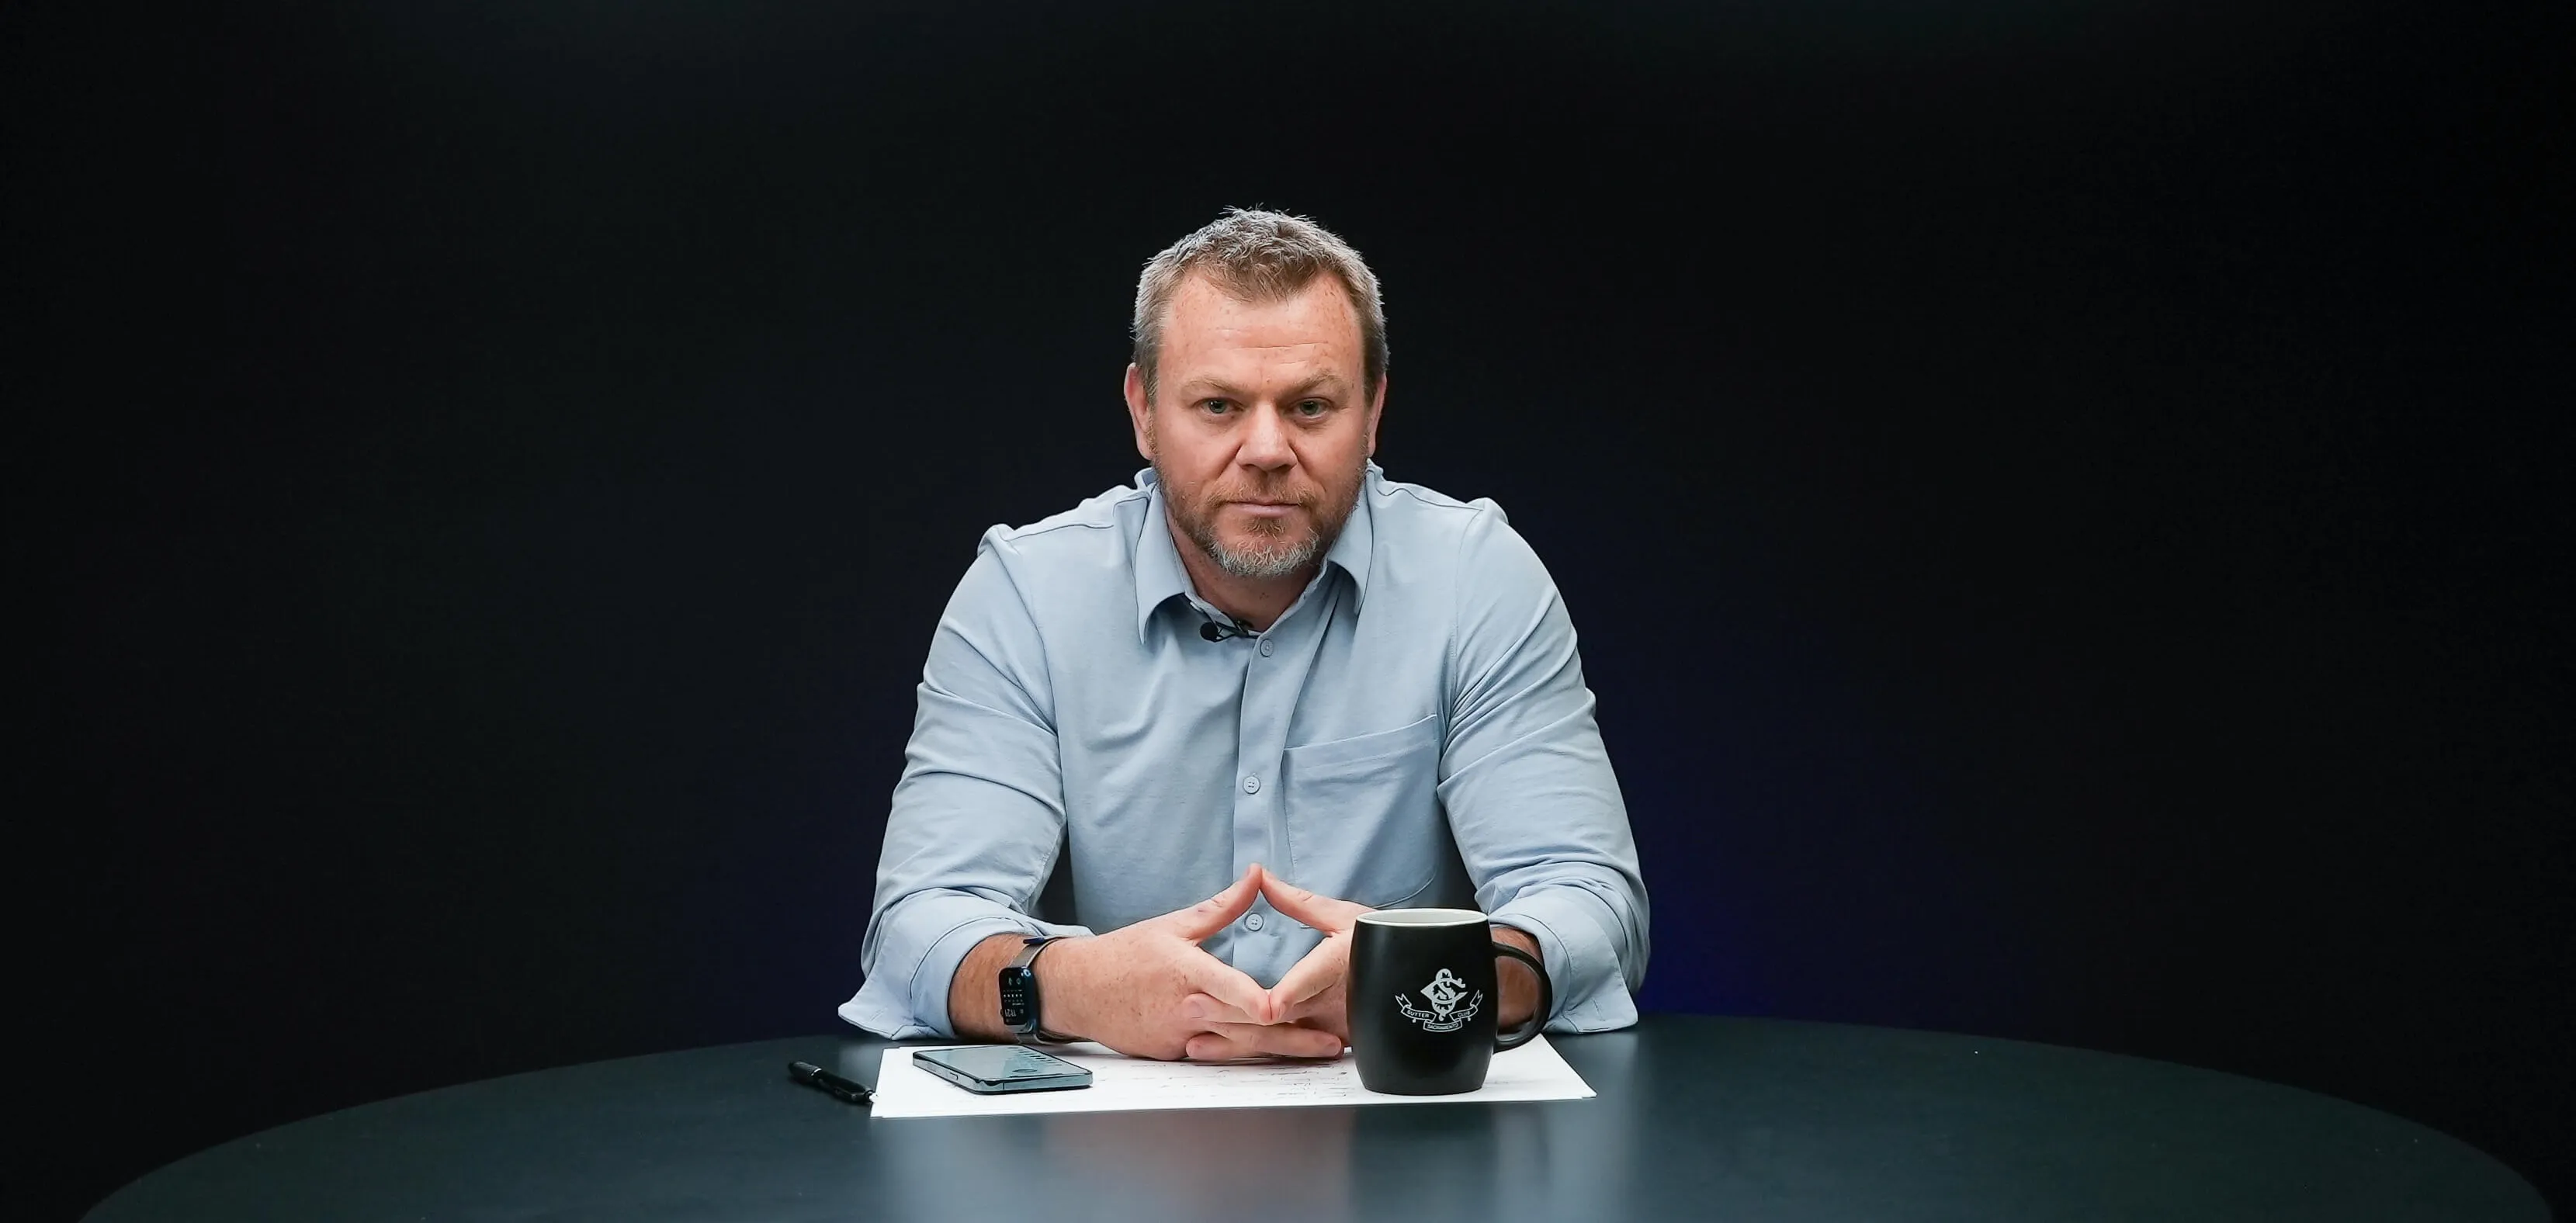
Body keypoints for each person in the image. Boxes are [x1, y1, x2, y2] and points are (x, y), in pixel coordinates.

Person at [843, 209, 1649, 1060]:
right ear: (1143, 410)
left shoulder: (1476, 579)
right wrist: (1083, 986)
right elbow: (918, 928)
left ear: (1371, 411)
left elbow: (1587, 899)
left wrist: (1425, 980)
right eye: (1219, 405)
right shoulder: (1026, 597)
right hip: (1108, 1168)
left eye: (1309, 405)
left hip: (1409, 1150)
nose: (1266, 449)